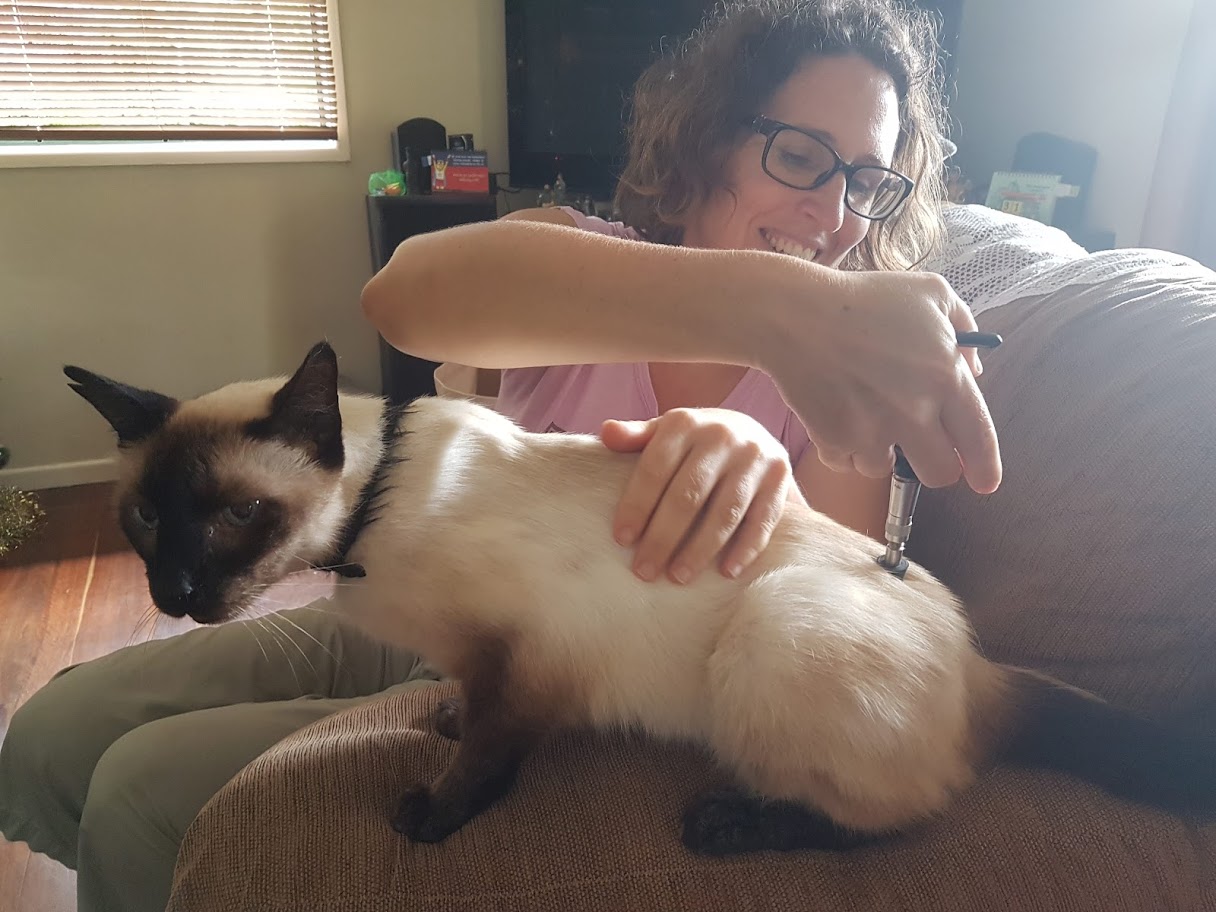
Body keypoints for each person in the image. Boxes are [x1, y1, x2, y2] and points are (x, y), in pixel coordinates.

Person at [0, 2, 1001, 911]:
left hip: (531, 670)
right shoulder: (582, 255)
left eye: (867, 180)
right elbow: (402, 298)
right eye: (801, 156)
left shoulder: (842, 385)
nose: (834, 213)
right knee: (54, 731)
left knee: (136, 792)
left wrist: (758, 455)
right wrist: (772, 307)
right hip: (389, 603)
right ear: (709, 139)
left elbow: (841, 591)